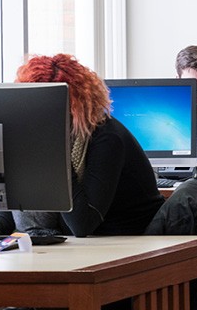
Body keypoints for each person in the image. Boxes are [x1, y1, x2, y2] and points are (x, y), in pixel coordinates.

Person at [11, 54, 165, 237]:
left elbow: (82, 225)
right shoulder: (57, 136)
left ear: (78, 105)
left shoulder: (107, 137)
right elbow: (15, 208)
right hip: (89, 243)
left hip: (127, 241)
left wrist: (55, 155)